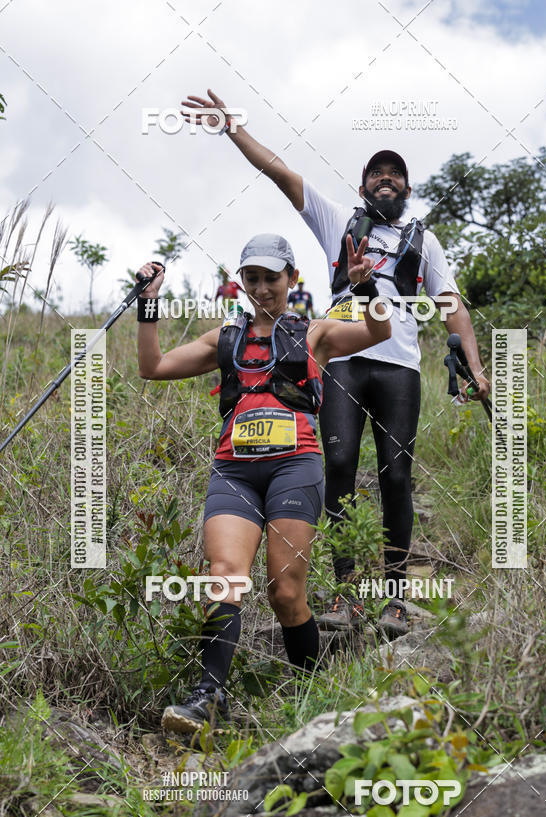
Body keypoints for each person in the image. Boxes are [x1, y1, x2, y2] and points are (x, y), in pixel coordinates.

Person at [180, 91, 491, 639]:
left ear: (408, 188)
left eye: (395, 174)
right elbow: (282, 173)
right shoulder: (337, 224)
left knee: (397, 476)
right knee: (340, 470)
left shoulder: (427, 242)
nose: (386, 180)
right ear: (363, 185)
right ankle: (345, 595)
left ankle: (394, 599)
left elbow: (452, 307)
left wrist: (476, 366)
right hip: (342, 363)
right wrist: (232, 130)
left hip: (400, 367)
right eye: (377, 174)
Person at [136, 233, 391, 735]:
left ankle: (314, 691)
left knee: (284, 591)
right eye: (251, 278)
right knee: (226, 575)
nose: (262, 287)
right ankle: (207, 698)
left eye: (272, 277)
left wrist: (367, 287)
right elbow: (153, 367)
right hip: (234, 471)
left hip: (295, 466)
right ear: (242, 282)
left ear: (291, 279)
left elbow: (378, 333)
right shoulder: (225, 339)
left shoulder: (316, 332)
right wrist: (148, 306)